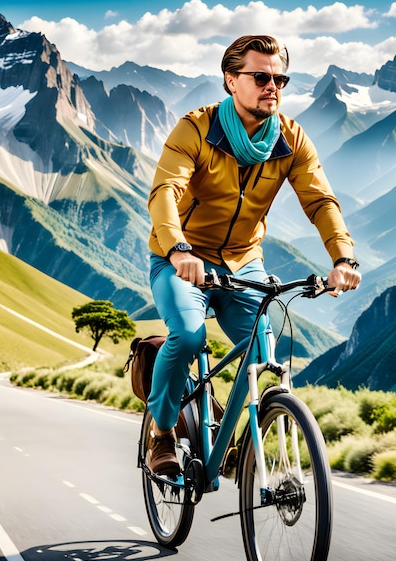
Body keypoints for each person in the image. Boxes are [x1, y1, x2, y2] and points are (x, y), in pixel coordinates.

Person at [146, 34, 361, 475]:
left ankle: (239, 444)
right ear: (230, 80)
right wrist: (179, 248)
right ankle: (162, 433)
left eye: (280, 78)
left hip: (245, 262)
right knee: (188, 336)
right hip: (182, 260)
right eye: (261, 76)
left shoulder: (289, 138)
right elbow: (165, 191)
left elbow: (321, 201)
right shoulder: (196, 129)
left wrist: (343, 258)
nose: (273, 86)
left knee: (263, 357)